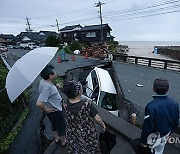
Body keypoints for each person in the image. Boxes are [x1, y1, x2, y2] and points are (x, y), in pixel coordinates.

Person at [63, 80, 106, 154]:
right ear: (79, 92)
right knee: (90, 147)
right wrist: (102, 125)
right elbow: (97, 118)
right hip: (87, 132)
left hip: (72, 131)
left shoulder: (64, 104)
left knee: (75, 146)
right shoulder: (87, 104)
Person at [140, 78, 179, 154]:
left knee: (152, 151)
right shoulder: (174, 103)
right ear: (168, 89)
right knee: (160, 150)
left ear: (153, 89)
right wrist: (170, 133)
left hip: (154, 137)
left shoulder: (151, 106)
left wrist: (144, 142)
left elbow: (148, 127)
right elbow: (176, 121)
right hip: (166, 133)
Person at [36, 64, 67, 146]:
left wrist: (55, 87)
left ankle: (57, 138)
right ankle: (63, 141)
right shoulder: (48, 87)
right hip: (55, 109)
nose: (56, 73)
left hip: (51, 107)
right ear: (50, 76)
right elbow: (39, 103)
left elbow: (49, 93)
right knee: (61, 125)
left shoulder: (43, 81)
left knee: (53, 124)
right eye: (54, 72)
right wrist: (45, 109)